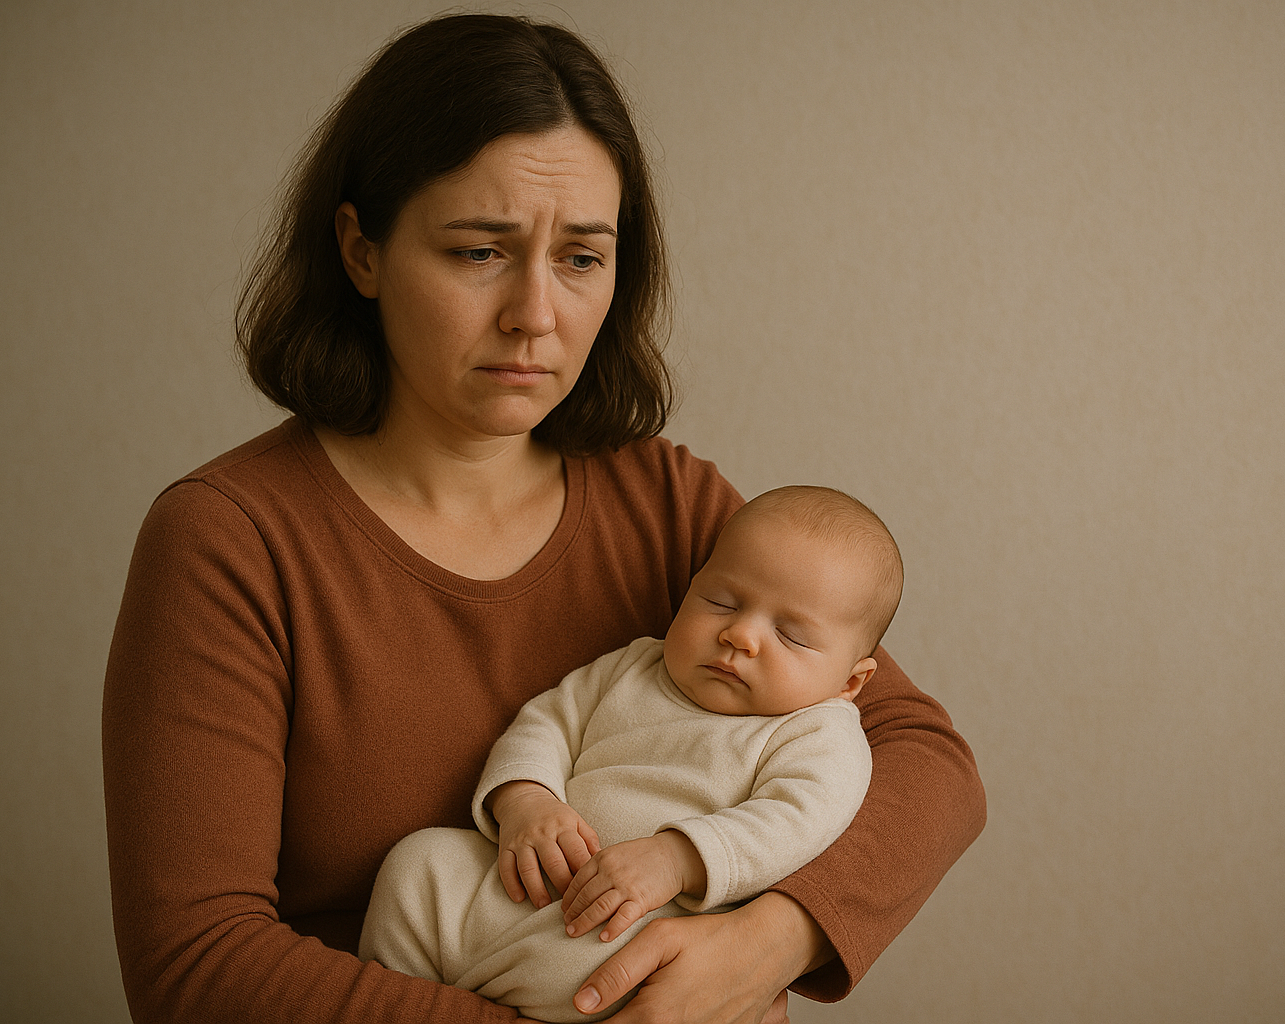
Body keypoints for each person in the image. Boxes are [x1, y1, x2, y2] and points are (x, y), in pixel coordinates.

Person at [101, 13, 986, 1024]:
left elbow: (929, 764)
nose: (537, 312)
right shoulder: (229, 542)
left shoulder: (667, 504)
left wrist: (768, 936)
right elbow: (196, 969)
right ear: (361, 251)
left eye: (580, 257)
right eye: (480, 251)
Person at [360, 486, 899, 1021]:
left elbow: (799, 818)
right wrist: (527, 799)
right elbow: (549, 723)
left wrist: (678, 858)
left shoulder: (818, 732)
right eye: (721, 602)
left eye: (791, 635)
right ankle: (399, 995)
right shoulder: (637, 664)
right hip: (530, 879)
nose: (740, 635)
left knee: (640, 967)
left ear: (851, 682)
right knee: (420, 864)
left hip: (643, 917)